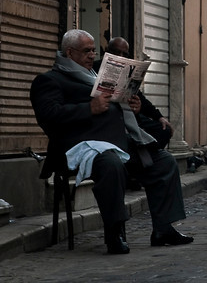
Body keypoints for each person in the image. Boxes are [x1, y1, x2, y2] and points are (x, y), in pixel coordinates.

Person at [30, 30, 193, 255]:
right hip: (82, 146)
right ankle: (114, 232)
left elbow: (119, 110)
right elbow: (49, 116)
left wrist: (134, 108)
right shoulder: (50, 80)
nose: (92, 55)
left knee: (163, 162)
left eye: (93, 50)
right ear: (69, 52)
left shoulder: (100, 75)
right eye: (86, 50)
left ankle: (163, 229)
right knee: (111, 164)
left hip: (119, 142)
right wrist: (89, 108)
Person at [97, 37, 173, 149]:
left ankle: (146, 158)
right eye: (116, 52)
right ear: (107, 51)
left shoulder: (128, 71)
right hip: (107, 117)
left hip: (129, 116)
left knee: (164, 130)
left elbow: (140, 98)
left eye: (124, 54)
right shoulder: (94, 68)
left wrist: (159, 117)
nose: (121, 57)